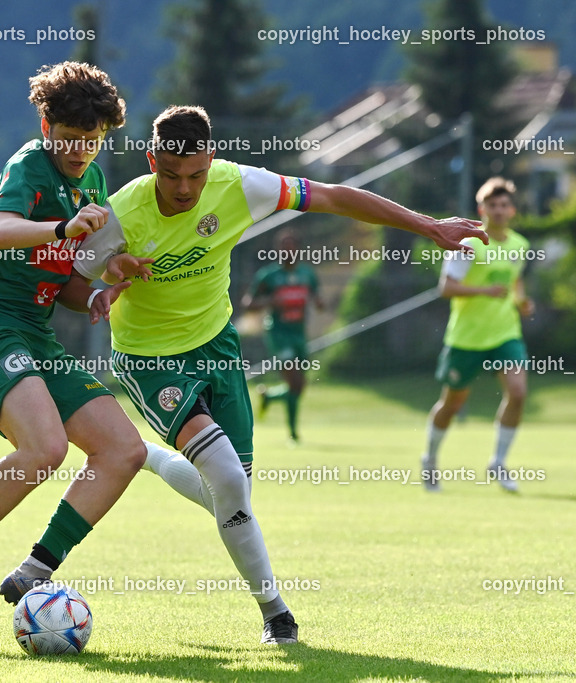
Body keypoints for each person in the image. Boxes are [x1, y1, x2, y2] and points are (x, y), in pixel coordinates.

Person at [66, 105, 486, 643]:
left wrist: (426, 224)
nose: (184, 188)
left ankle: (147, 457)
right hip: (149, 359)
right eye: (171, 175)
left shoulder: (243, 185)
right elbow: (72, 280)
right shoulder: (120, 212)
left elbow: (334, 195)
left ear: (211, 159)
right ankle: (276, 613)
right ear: (152, 162)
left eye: (195, 175)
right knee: (228, 480)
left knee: (228, 490)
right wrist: (100, 292)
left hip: (217, 347)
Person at [0, 61, 144, 640]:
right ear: (47, 125)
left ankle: (38, 568)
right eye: (70, 139)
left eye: (92, 143)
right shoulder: (29, 164)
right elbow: (0, 232)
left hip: (35, 334)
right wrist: (66, 230)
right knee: (45, 448)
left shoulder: (90, 183)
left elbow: (64, 280)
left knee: (123, 450)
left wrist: (96, 290)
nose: (80, 151)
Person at [422, 177, 534, 493]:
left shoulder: (520, 245)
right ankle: (430, 460)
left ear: (511, 210)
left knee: (519, 392)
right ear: (481, 209)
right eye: (492, 205)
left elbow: (515, 283)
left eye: (503, 205)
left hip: (505, 333)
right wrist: (484, 290)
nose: (498, 211)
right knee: (452, 403)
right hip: (466, 338)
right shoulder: (469, 244)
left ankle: (498, 461)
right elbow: (446, 287)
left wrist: (522, 301)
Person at [242, 228, 323, 443]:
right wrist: (269, 302)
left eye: (291, 246)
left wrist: (319, 303)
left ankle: (270, 397)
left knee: (299, 386)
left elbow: (317, 297)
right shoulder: (269, 276)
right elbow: (248, 304)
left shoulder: (307, 274)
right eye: (283, 246)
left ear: (299, 249)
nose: (287, 250)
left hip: (299, 335)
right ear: (278, 250)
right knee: (294, 380)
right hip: (278, 335)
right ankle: (293, 434)